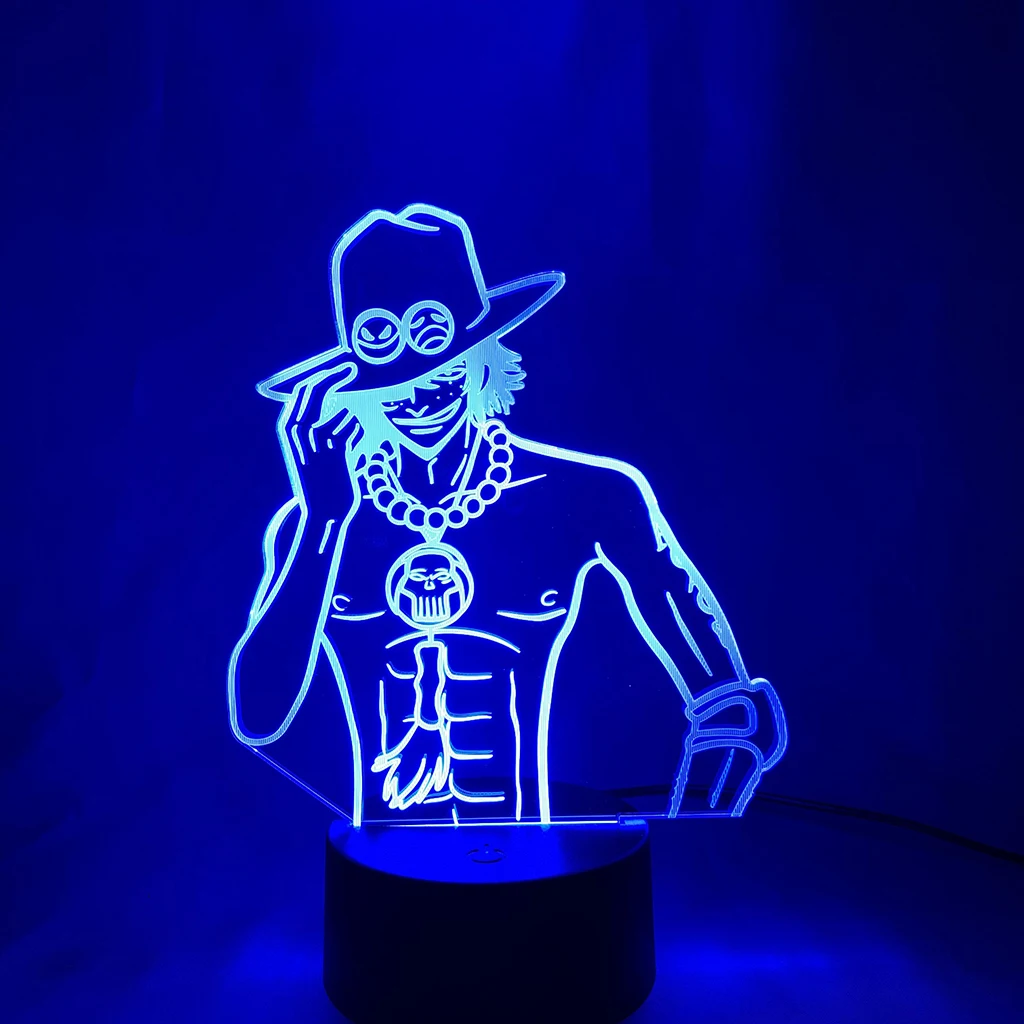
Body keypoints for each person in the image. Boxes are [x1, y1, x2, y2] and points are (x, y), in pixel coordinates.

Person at [227, 204, 787, 826]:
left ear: (483, 354)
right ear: (354, 385)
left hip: (531, 859)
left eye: (441, 354)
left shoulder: (587, 493)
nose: (420, 392)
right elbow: (258, 716)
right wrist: (325, 520)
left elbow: (720, 688)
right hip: (380, 868)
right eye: (392, 369)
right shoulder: (314, 527)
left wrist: (725, 741)